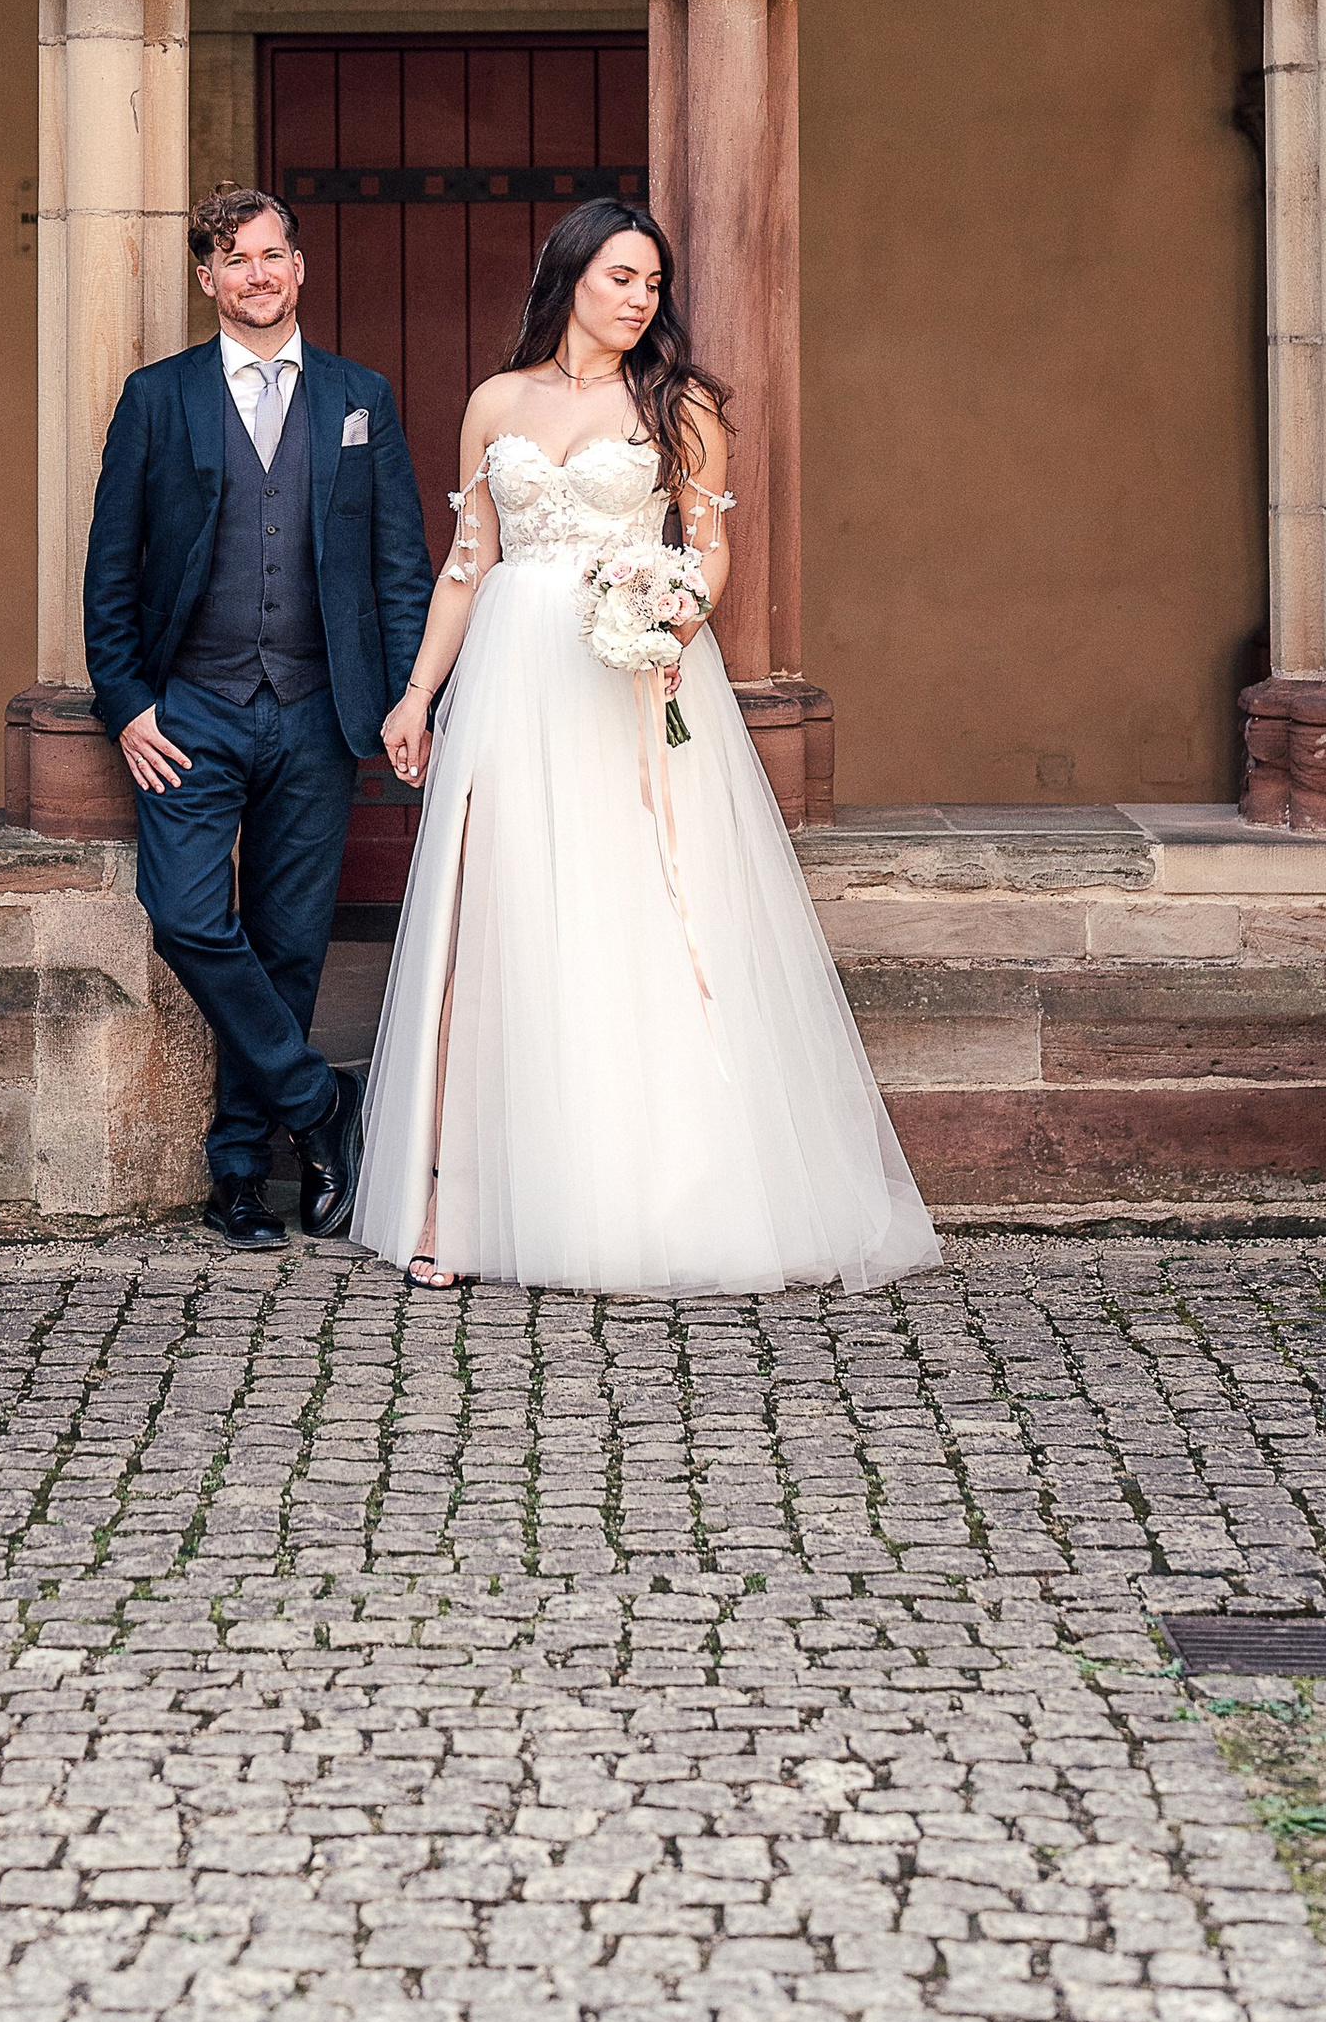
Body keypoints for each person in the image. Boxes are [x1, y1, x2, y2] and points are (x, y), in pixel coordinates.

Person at [352, 200, 941, 1296]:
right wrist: (418, 693)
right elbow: (466, 564)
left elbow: (709, 551)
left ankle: (657, 1192)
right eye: (621, 276)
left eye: (654, 283)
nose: (639, 298)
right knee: (499, 919)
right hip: (508, 685)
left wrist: (670, 615)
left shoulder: (681, 405)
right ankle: (461, 1202)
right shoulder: (495, 401)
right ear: (568, 275)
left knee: (638, 911)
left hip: (617, 675)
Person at [84, 187, 433, 1252]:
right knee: (187, 914)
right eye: (234, 259)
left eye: (272, 254)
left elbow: (398, 563)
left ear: (299, 266)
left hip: (320, 711)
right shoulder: (158, 398)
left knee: (288, 945)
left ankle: (240, 1174)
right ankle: (319, 1102)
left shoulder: (357, 395)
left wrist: (409, 696)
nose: (257, 273)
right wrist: (127, 700)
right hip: (190, 708)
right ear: (206, 279)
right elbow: (110, 568)